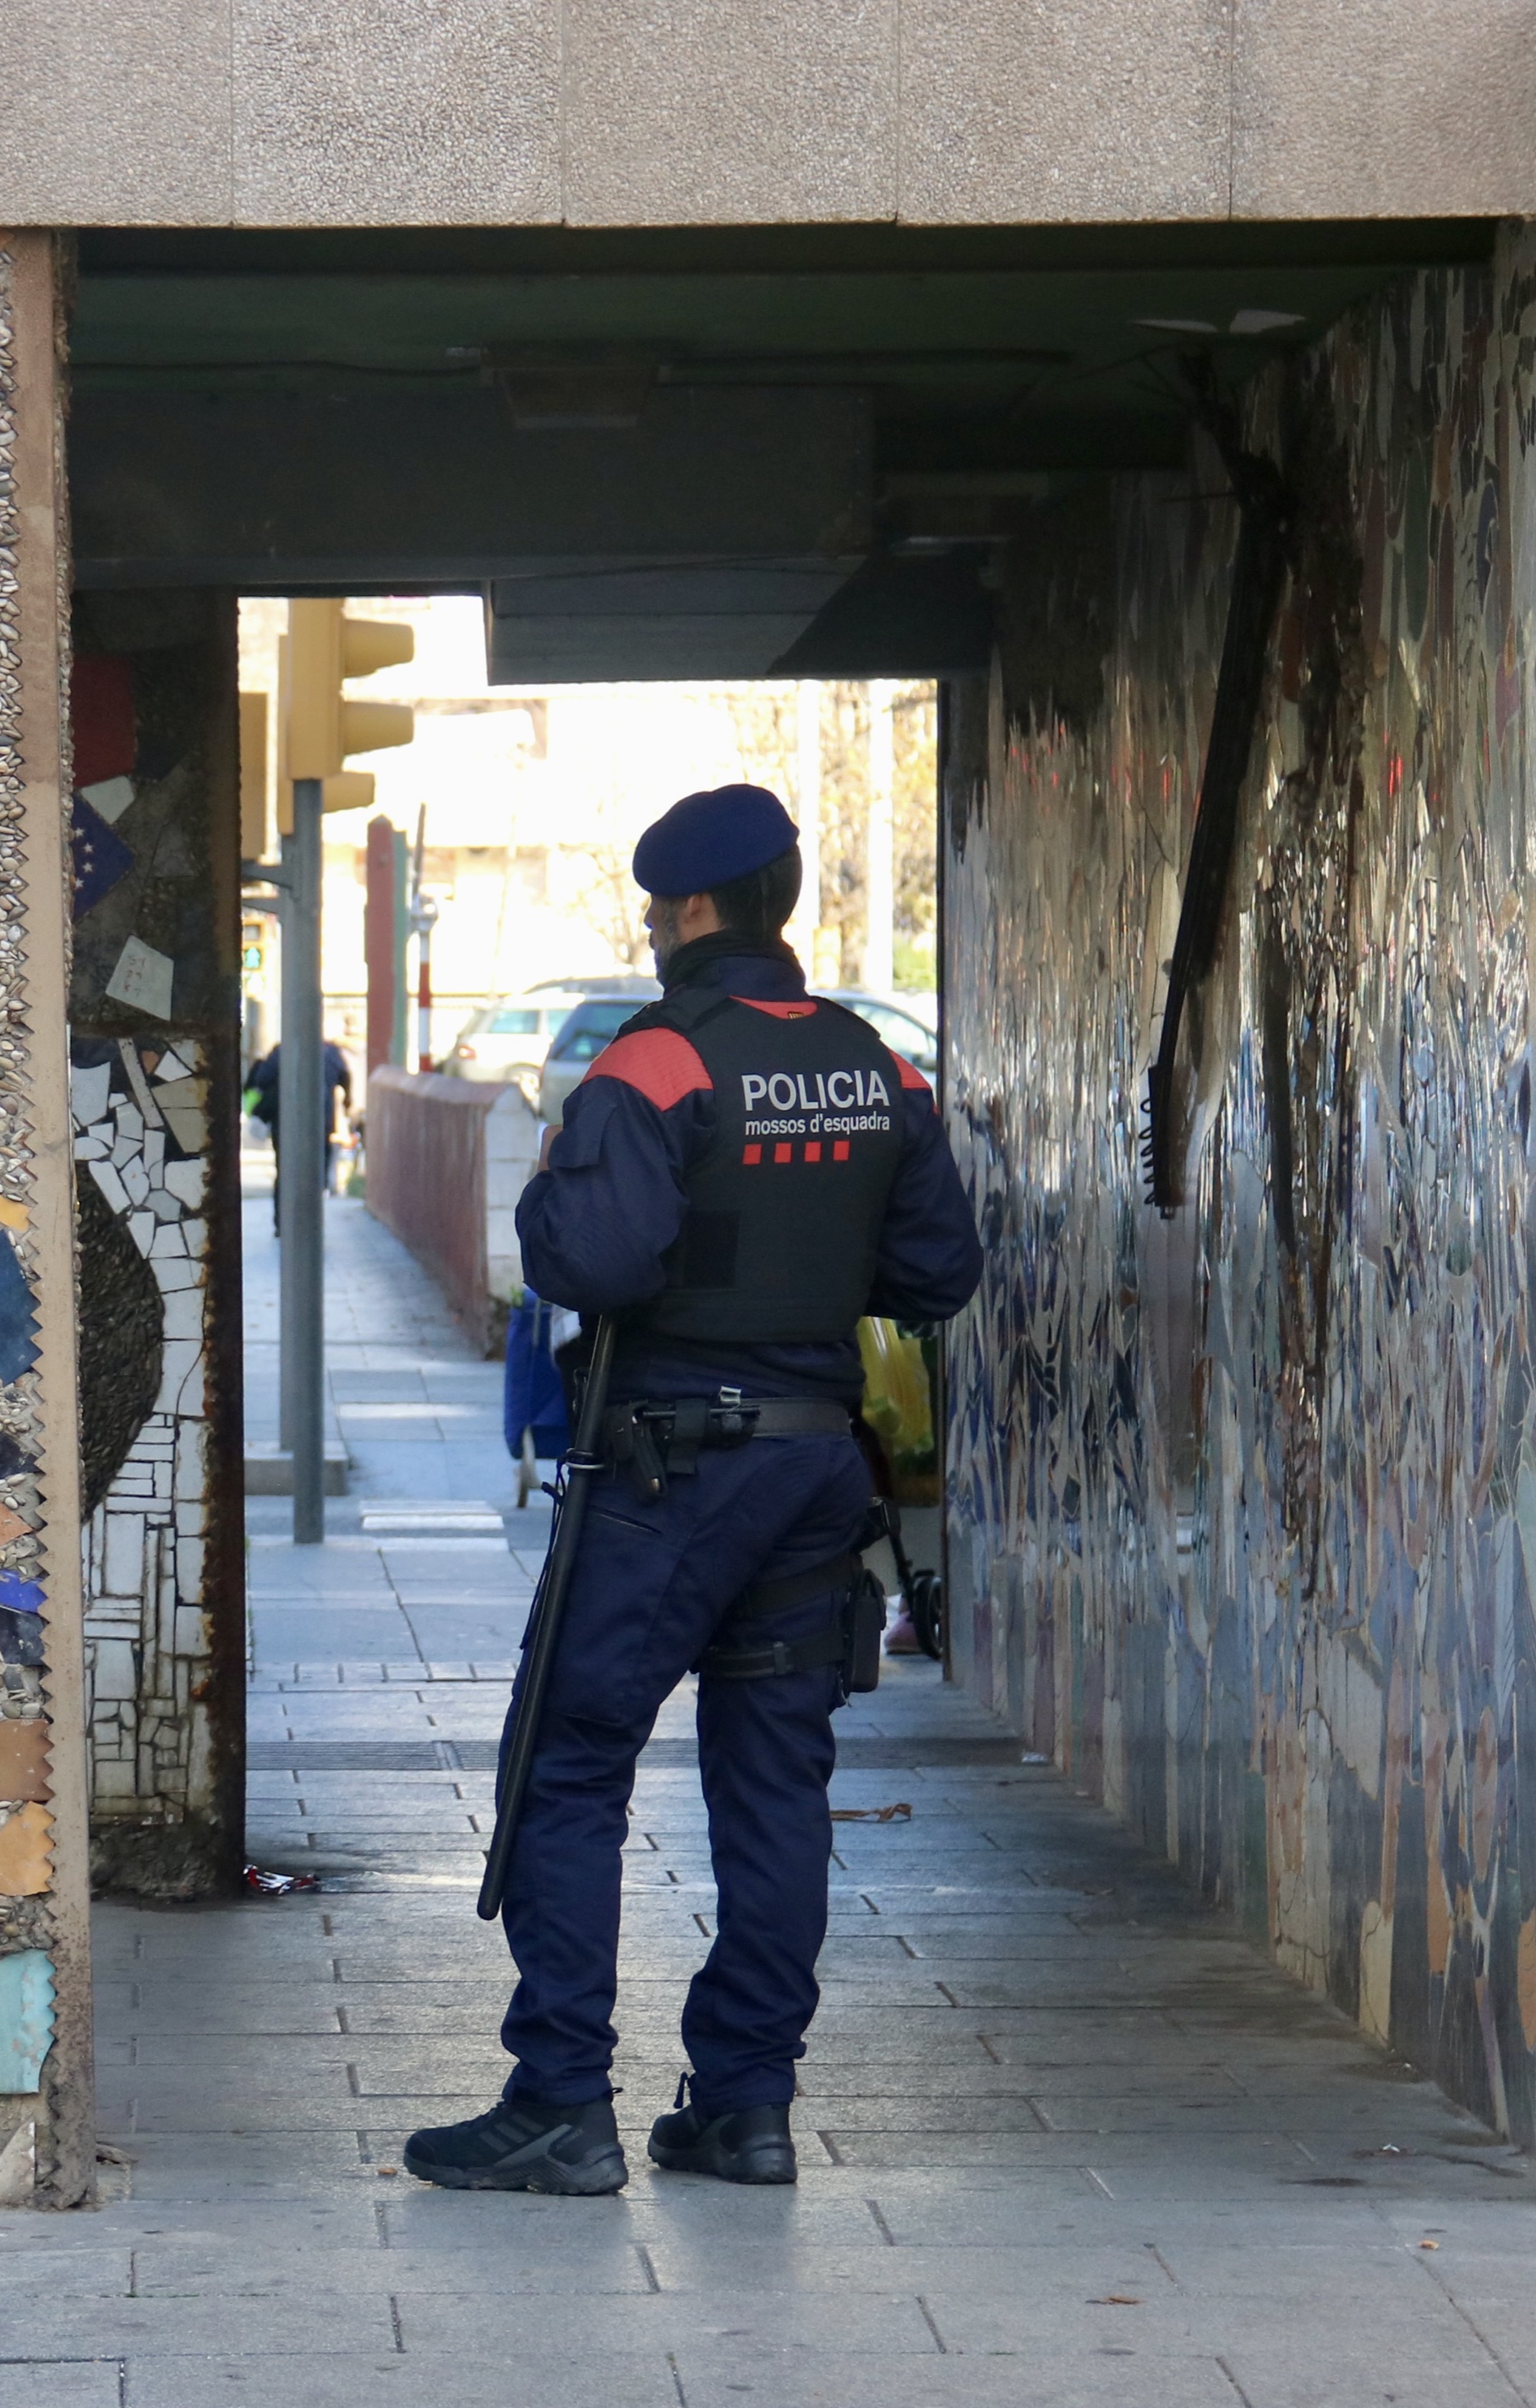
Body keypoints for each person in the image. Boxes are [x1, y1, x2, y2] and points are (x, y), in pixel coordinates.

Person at [402, 782, 981, 2197]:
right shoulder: (872, 1065)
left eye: (658, 908)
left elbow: (589, 1261)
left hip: (673, 1467)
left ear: (696, 910)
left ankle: (557, 2100)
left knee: (572, 1759)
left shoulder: (655, 1066)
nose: (654, 928)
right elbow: (936, 1274)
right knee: (775, 1781)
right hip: (809, 1468)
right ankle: (744, 2104)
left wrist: (552, 1190)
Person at [240, 1038, 354, 1229]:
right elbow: (345, 1077)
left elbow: (261, 1079)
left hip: (285, 1121)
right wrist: (346, 1102)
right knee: (317, 1173)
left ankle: (282, 1223)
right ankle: (312, 1223)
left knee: (284, 1171)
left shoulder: (281, 1051)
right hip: (320, 1121)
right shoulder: (330, 1052)